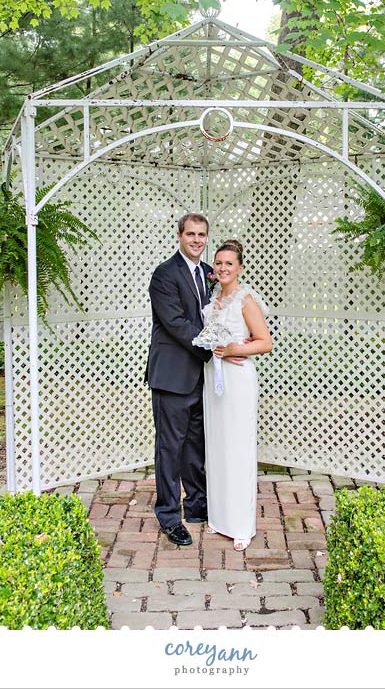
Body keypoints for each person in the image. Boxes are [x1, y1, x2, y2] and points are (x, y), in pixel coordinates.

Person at [145, 214, 247, 546]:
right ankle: (169, 516)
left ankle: (198, 506)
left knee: (195, 448)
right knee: (169, 449)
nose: (197, 240)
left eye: (202, 235)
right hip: (172, 376)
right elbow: (176, 324)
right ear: (179, 236)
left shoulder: (208, 274)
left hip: (200, 378)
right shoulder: (164, 275)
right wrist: (217, 349)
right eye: (191, 234)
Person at [200, 239, 272, 552]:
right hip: (213, 379)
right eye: (218, 263)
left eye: (229, 263)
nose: (223, 268)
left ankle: (242, 524)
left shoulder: (245, 300)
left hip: (238, 380)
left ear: (240, 268)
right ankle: (220, 518)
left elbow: (265, 342)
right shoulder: (214, 298)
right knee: (217, 447)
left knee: (238, 449)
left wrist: (235, 349)